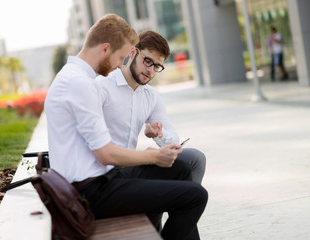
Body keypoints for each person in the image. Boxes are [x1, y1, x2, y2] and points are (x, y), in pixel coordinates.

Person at [45, 14, 208, 240]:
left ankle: (159, 230)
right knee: (196, 196)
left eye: (157, 66)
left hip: (100, 178)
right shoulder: (84, 84)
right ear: (105, 49)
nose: (118, 64)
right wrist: (150, 157)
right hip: (90, 189)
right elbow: (106, 154)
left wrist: (158, 141)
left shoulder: (75, 78)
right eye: (121, 56)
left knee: (184, 167)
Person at [95, 30, 206, 238]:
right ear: (132, 52)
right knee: (188, 186)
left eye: (157, 66)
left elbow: (173, 140)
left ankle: (178, 216)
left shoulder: (150, 96)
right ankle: (177, 213)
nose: (150, 70)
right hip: (108, 172)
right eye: (147, 61)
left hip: (131, 166)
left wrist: (157, 134)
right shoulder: (103, 87)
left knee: (194, 159)